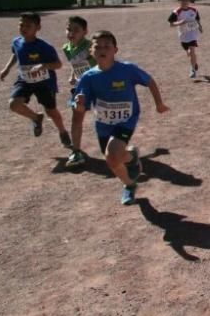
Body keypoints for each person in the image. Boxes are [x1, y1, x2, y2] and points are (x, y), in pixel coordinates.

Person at [70, 30, 169, 204]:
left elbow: (150, 81)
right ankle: (130, 182)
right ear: (91, 52)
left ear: (115, 50)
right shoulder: (88, 77)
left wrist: (159, 104)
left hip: (126, 120)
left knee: (113, 152)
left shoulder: (127, 70)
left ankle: (129, 164)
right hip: (103, 124)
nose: (102, 49)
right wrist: (78, 105)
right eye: (97, 46)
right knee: (112, 160)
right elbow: (80, 106)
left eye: (107, 46)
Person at [0, 12, 71, 147]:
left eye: (28, 25)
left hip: (44, 83)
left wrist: (43, 66)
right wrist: (7, 68)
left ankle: (63, 132)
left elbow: (58, 64)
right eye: (21, 25)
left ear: (38, 28)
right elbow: (15, 54)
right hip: (25, 80)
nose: (24, 28)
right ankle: (36, 118)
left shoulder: (44, 47)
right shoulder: (16, 42)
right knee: (14, 105)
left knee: (51, 111)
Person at [62, 16, 93, 168]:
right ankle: (76, 152)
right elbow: (75, 64)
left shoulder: (91, 46)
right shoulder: (66, 48)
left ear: (85, 32)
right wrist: (73, 75)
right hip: (82, 87)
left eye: (76, 30)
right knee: (76, 115)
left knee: (106, 118)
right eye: (69, 29)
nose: (71, 33)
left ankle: (121, 147)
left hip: (99, 85)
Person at [167, 0, 203, 78]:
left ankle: (192, 70)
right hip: (183, 35)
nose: (184, 2)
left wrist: (200, 27)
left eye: (186, 0)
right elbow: (171, 24)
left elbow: (197, 20)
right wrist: (180, 22)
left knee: (192, 50)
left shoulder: (194, 10)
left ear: (189, 1)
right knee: (189, 53)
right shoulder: (176, 12)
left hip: (193, 34)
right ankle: (194, 63)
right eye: (182, 0)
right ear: (179, 1)